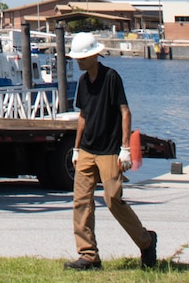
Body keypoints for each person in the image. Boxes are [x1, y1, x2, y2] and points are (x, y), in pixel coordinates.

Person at [64, 32, 157, 271]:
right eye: (77, 57)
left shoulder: (112, 78)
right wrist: (76, 148)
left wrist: (125, 149)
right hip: (86, 150)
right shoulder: (83, 82)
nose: (78, 61)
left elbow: (125, 112)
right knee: (81, 202)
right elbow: (83, 116)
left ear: (95, 55)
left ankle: (146, 241)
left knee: (113, 199)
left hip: (109, 151)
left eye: (82, 57)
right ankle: (88, 256)